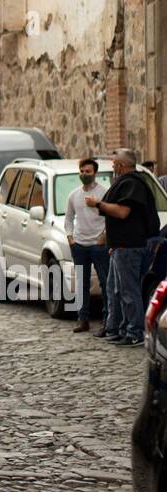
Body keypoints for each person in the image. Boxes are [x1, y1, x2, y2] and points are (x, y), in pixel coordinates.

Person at [86, 148, 157, 346]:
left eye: (115, 163)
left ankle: (135, 332)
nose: (113, 166)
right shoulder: (126, 182)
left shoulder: (133, 183)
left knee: (129, 291)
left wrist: (98, 204)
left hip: (130, 247)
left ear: (122, 165)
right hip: (120, 246)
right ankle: (124, 329)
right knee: (117, 290)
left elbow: (123, 212)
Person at [64, 156, 110, 334]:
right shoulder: (74, 195)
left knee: (105, 282)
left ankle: (108, 321)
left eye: (88, 171)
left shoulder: (103, 193)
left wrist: (103, 238)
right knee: (81, 283)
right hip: (79, 245)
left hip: (98, 245)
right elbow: (68, 218)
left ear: (95, 173)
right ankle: (83, 319)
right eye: (82, 171)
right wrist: (70, 237)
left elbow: (110, 218)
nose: (84, 174)